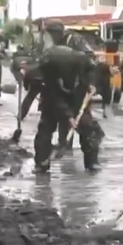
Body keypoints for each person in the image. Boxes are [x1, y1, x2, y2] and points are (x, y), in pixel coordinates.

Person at [25, 20, 105, 173]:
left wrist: (92, 84)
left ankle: (92, 162)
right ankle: (42, 162)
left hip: (78, 94)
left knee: (88, 127)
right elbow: (54, 97)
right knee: (45, 127)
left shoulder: (78, 53)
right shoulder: (48, 65)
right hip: (53, 95)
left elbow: (94, 68)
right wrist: (68, 116)